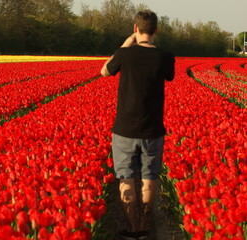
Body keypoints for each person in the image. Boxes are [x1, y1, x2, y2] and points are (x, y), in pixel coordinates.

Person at [100, 10, 175, 240]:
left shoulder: (125, 54)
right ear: (156, 30)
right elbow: (170, 77)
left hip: (124, 129)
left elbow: (104, 71)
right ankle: (144, 226)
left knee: (126, 178)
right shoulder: (165, 57)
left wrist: (126, 44)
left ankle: (132, 228)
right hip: (152, 128)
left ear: (136, 29)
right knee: (149, 177)